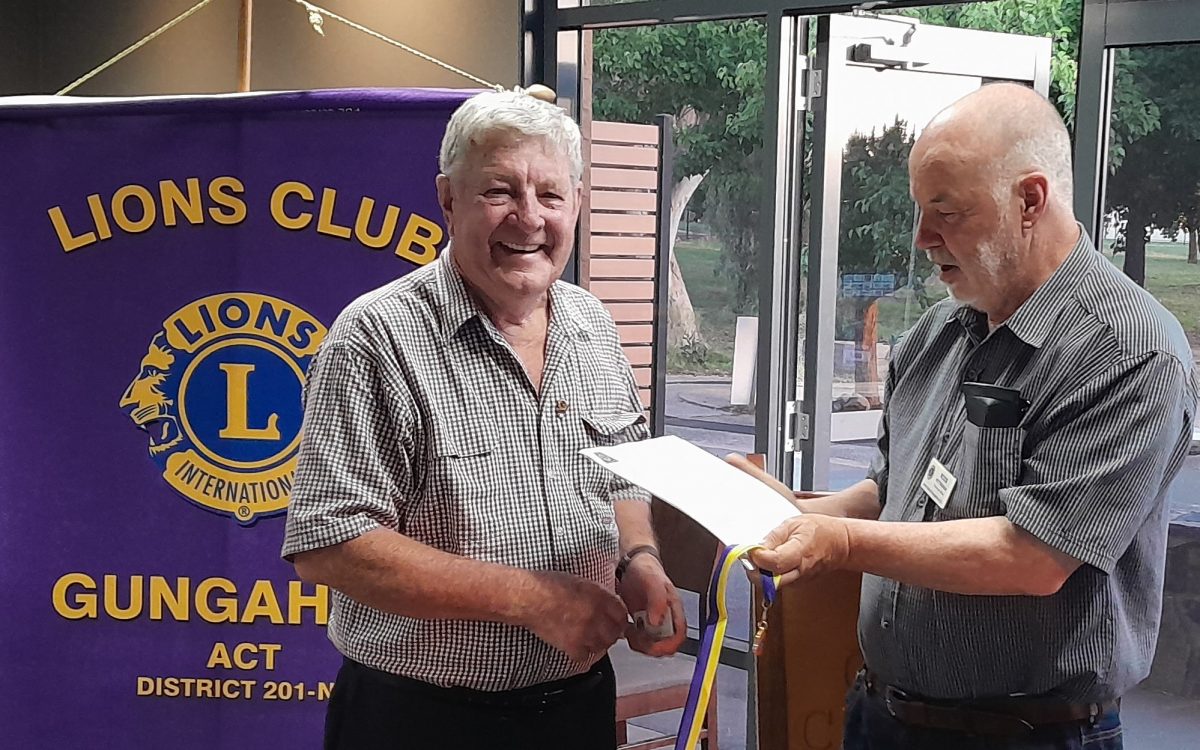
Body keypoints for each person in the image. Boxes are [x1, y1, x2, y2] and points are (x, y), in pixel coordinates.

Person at [746, 83, 1198, 749]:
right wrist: (799, 516)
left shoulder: (1129, 351)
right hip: (881, 715)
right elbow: (892, 490)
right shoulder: (938, 334)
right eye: (920, 211)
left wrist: (840, 545)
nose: (923, 238)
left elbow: (1035, 555)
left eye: (946, 212)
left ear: (1030, 201)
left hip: (1027, 735)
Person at [282, 89, 686, 750]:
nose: (529, 218)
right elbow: (331, 543)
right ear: (448, 199)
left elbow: (623, 467)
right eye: (500, 191)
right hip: (421, 721)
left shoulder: (593, 325)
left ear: (577, 204)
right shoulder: (376, 337)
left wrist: (636, 557)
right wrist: (537, 600)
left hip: (577, 710)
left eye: (551, 196)